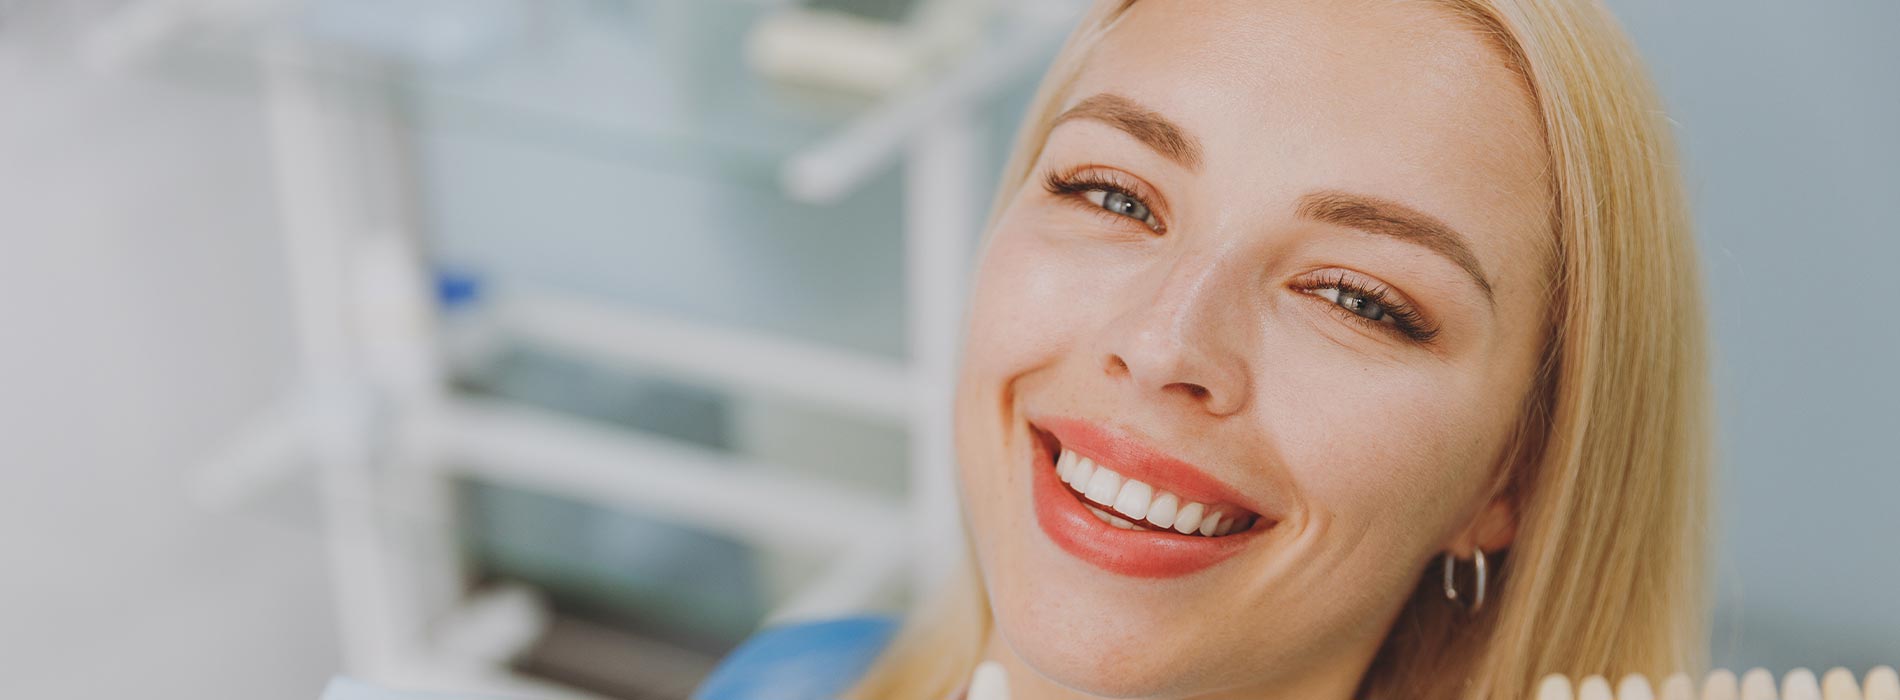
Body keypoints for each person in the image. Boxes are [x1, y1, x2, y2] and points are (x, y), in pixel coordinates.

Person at [701, 0, 1711, 697]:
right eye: (1111, 194)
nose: (1160, 343)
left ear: (1515, 470)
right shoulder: (793, 677)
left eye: (1356, 298)